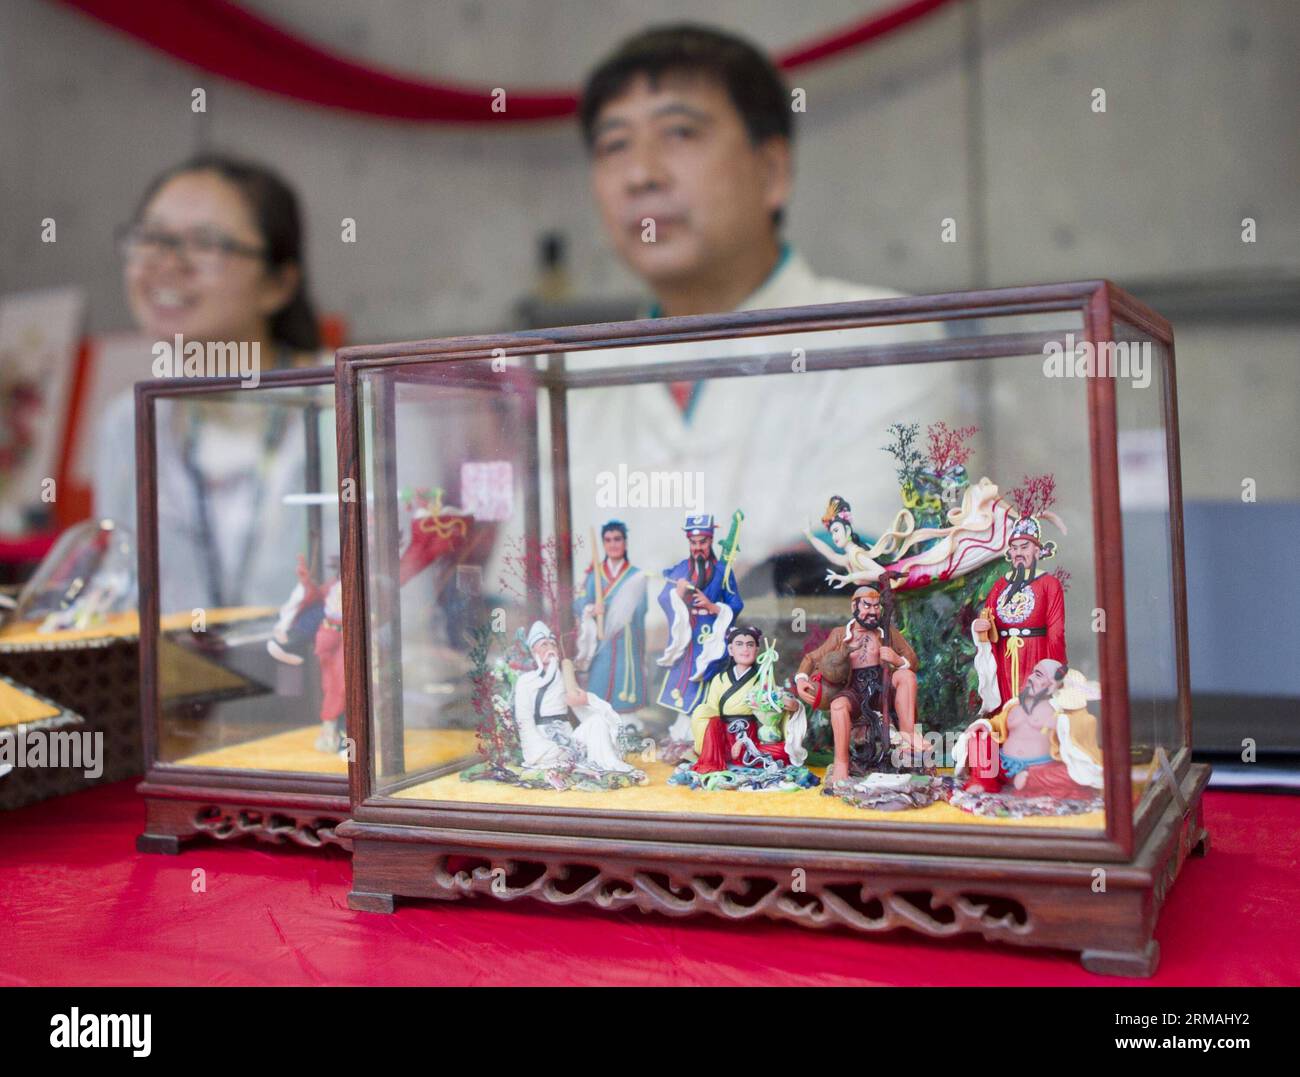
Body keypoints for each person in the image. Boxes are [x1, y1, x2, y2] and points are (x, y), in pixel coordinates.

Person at [563, 24, 954, 579]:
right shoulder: (572, 382)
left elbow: (845, 580)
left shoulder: (882, 338)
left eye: (678, 132)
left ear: (772, 170)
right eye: (614, 144)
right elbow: (521, 601)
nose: (640, 175)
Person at [94, 154, 324, 612]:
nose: (165, 263)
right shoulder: (131, 421)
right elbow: (121, 598)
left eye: (205, 243)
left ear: (278, 284)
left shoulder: (351, 406)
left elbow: (394, 606)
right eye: (152, 237)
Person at [795, 585, 920, 781]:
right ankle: (841, 764)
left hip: (883, 687)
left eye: (877, 606)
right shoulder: (839, 634)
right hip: (853, 690)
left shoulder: (887, 632)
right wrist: (801, 679)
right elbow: (812, 658)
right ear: (855, 605)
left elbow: (912, 660)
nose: (873, 611)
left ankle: (908, 737)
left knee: (907, 676)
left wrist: (897, 660)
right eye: (867, 605)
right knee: (838, 705)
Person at [953, 659, 1101, 799]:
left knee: (1077, 775)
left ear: (1052, 684)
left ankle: (1031, 780)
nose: (1030, 677)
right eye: (1033, 672)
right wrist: (986, 725)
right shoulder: (1014, 705)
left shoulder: (1062, 710)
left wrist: (1063, 723)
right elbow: (998, 724)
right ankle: (983, 780)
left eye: (1038, 674)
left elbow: (1087, 725)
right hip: (1003, 767)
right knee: (978, 736)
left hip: (1041, 769)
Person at [655, 512, 744, 734]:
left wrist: (714, 607)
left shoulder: (723, 572)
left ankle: (702, 728)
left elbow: (736, 603)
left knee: (705, 678)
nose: (697, 547)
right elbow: (663, 597)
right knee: (682, 679)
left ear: (711, 540)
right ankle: (682, 729)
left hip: (710, 635)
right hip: (687, 634)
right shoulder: (681, 569)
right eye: (693, 543)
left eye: (702, 542)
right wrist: (677, 592)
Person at [970, 515, 1067, 712]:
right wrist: (979, 628)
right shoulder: (999, 586)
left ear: (1038, 551)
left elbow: (1056, 632)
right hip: (1003, 656)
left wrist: (1056, 669)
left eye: (1024, 547)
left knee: (1035, 710)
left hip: (1036, 654)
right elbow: (986, 619)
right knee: (1005, 712)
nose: (1018, 553)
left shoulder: (1049, 584)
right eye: (1014, 548)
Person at [511, 621, 635, 774]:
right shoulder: (526, 681)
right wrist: (540, 747)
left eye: (553, 645)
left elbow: (580, 705)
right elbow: (524, 722)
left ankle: (608, 764)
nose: (550, 649)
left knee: (598, 722)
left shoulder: (565, 677)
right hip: (543, 743)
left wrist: (586, 700)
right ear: (533, 651)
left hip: (568, 741)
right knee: (551, 754)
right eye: (544, 645)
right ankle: (561, 760)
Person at [689, 624, 796, 773]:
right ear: (731, 650)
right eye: (739, 644)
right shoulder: (719, 679)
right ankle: (717, 757)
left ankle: (746, 752)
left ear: (757, 650)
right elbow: (712, 709)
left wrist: (787, 702)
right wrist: (702, 714)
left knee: (787, 751)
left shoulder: (763, 680)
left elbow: (774, 702)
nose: (745, 649)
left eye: (750, 645)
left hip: (751, 737)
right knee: (710, 719)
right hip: (723, 737)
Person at [574, 519, 648, 713]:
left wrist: (622, 610)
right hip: (602, 641)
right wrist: (591, 608)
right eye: (608, 540)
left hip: (627, 640)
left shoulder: (636, 575)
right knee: (601, 677)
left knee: (626, 679)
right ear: (603, 544)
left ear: (625, 542)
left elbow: (641, 608)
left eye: (617, 539)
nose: (613, 544)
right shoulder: (594, 575)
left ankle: (628, 719)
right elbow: (580, 602)